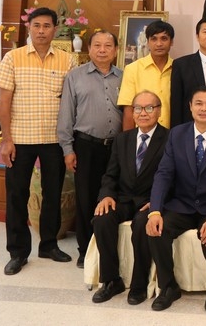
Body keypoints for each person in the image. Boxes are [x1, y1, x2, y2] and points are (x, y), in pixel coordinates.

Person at [0, 6, 77, 275]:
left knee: (53, 194)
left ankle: (49, 245)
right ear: (29, 28)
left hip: (54, 140)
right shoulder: (13, 58)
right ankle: (18, 252)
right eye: (36, 26)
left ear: (55, 29)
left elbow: (72, 103)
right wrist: (6, 140)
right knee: (16, 195)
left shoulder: (67, 60)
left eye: (47, 26)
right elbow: (4, 103)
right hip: (20, 139)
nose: (41, 31)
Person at [146, 86, 206, 312]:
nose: (203, 108)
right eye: (198, 103)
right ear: (190, 107)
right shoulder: (177, 134)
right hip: (182, 204)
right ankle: (168, 287)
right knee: (157, 230)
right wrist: (155, 210)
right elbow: (164, 174)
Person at [91, 91, 169, 305]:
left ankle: (139, 284)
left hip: (150, 202)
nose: (143, 113)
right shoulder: (122, 139)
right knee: (102, 219)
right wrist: (106, 195)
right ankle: (111, 280)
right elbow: (110, 174)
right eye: (138, 108)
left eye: (149, 108)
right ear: (132, 112)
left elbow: (175, 177)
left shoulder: (170, 139)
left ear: (159, 111)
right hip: (123, 199)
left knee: (142, 224)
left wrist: (158, 202)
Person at [57, 30, 123, 267]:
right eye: (97, 45)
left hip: (117, 148)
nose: (102, 50)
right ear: (89, 48)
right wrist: (67, 149)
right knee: (86, 199)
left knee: (113, 196)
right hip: (86, 146)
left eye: (108, 45)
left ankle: (108, 248)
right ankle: (85, 250)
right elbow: (66, 114)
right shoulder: (75, 76)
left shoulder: (124, 77)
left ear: (116, 50)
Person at [118, 20, 175, 129]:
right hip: (142, 134)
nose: (159, 44)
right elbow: (128, 109)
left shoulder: (178, 68)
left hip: (172, 133)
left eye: (164, 38)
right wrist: (129, 138)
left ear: (171, 42)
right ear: (147, 42)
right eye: (154, 39)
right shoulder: (132, 69)